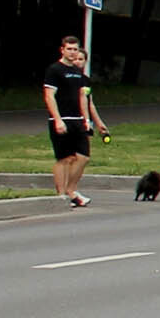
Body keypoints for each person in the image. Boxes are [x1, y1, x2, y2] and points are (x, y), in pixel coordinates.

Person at [42, 35, 108, 206]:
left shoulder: (79, 74)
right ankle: (61, 195)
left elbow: (84, 98)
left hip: (78, 121)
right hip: (62, 119)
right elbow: (49, 96)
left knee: (83, 157)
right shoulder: (55, 70)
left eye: (75, 49)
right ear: (62, 50)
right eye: (69, 49)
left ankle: (71, 190)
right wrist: (58, 120)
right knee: (64, 158)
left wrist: (88, 121)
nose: (72, 52)